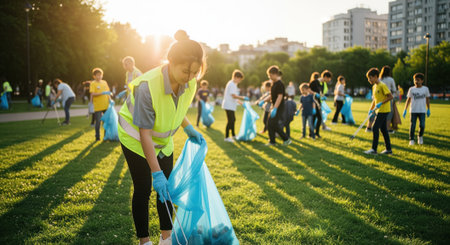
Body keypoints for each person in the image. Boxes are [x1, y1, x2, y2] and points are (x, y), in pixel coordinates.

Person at [118, 30, 206, 245]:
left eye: (195, 72)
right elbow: (144, 133)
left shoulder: (190, 82)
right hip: (135, 139)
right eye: (186, 70)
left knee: (167, 192)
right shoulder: (147, 86)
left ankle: (166, 238)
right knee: (144, 187)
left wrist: (188, 128)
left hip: (162, 142)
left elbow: (177, 106)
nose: (190, 76)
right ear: (170, 62)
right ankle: (144, 241)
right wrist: (156, 173)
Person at [364, 68, 393, 155]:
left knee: (375, 127)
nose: (369, 80)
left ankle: (374, 149)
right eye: (368, 78)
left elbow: (390, 96)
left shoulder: (382, 85)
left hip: (384, 110)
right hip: (378, 110)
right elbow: (374, 100)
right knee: (383, 129)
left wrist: (381, 103)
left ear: (376, 77)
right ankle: (389, 149)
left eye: (370, 78)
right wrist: (371, 109)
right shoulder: (374, 87)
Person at [402, 73, 430, 145]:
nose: (416, 82)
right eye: (415, 80)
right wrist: (405, 109)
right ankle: (411, 139)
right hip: (413, 110)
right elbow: (408, 100)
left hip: (422, 110)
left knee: (422, 125)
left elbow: (427, 99)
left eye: (418, 80)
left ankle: (420, 136)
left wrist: (428, 109)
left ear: (422, 81)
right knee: (413, 125)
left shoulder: (425, 89)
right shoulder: (411, 89)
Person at [266, 65, 291, 146]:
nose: (269, 77)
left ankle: (286, 139)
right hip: (274, 106)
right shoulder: (273, 83)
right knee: (270, 123)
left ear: (275, 74)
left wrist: (275, 108)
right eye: (268, 75)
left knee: (273, 123)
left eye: (270, 75)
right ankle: (272, 141)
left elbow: (280, 96)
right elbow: (272, 95)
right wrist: (263, 101)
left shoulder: (279, 84)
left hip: (278, 107)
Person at [222, 69, 248, 143]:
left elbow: (234, 97)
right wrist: (243, 97)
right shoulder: (231, 84)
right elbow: (233, 96)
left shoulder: (234, 84)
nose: (239, 81)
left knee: (233, 120)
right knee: (231, 120)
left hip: (231, 105)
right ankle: (226, 137)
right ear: (236, 77)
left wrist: (241, 103)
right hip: (228, 105)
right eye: (239, 79)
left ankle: (233, 135)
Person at [90, 68, 111, 141]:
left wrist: (110, 100)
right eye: (97, 75)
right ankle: (97, 137)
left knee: (107, 122)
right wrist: (101, 93)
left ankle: (106, 136)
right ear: (94, 76)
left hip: (106, 105)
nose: (99, 77)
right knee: (98, 122)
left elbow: (108, 92)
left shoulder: (104, 82)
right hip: (98, 106)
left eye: (100, 75)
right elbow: (93, 94)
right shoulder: (93, 83)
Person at [309, 70, 332, 138]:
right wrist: (315, 94)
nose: (329, 80)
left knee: (318, 118)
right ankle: (312, 133)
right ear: (325, 77)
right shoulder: (314, 82)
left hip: (318, 102)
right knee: (315, 118)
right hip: (313, 102)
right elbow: (308, 90)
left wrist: (322, 96)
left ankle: (316, 133)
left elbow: (320, 92)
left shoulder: (322, 84)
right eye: (329, 78)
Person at [379, 65, 398, 133]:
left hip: (379, 98)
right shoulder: (391, 79)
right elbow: (394, 89)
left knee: (379, 113)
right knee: (389, 113)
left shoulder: (379, 79)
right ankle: (388, 127)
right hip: (388, 98)